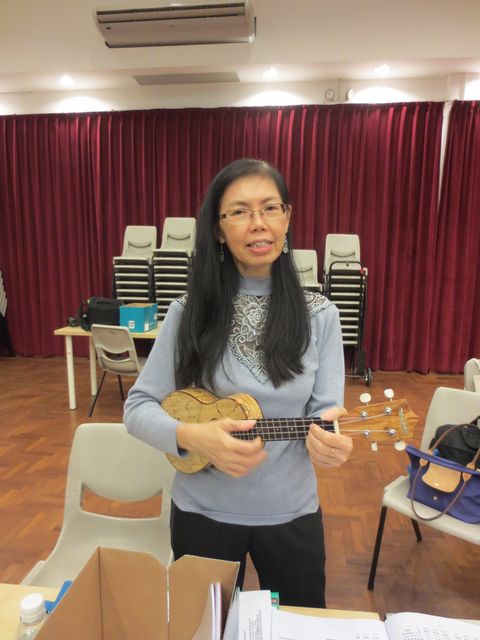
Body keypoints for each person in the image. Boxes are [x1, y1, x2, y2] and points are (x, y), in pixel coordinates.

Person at [124, 158, 353, 607]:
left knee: (299, 625)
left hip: (291, 512)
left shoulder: (322, 315)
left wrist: (331, 441)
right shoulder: (188, 311)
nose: (258, 223)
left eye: (270, 208)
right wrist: (193, 437)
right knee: (205, 626)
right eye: (240, 211)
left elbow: (325, 413)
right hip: (202, 512)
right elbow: (138, 408)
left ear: (287, 217)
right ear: (217, 229)